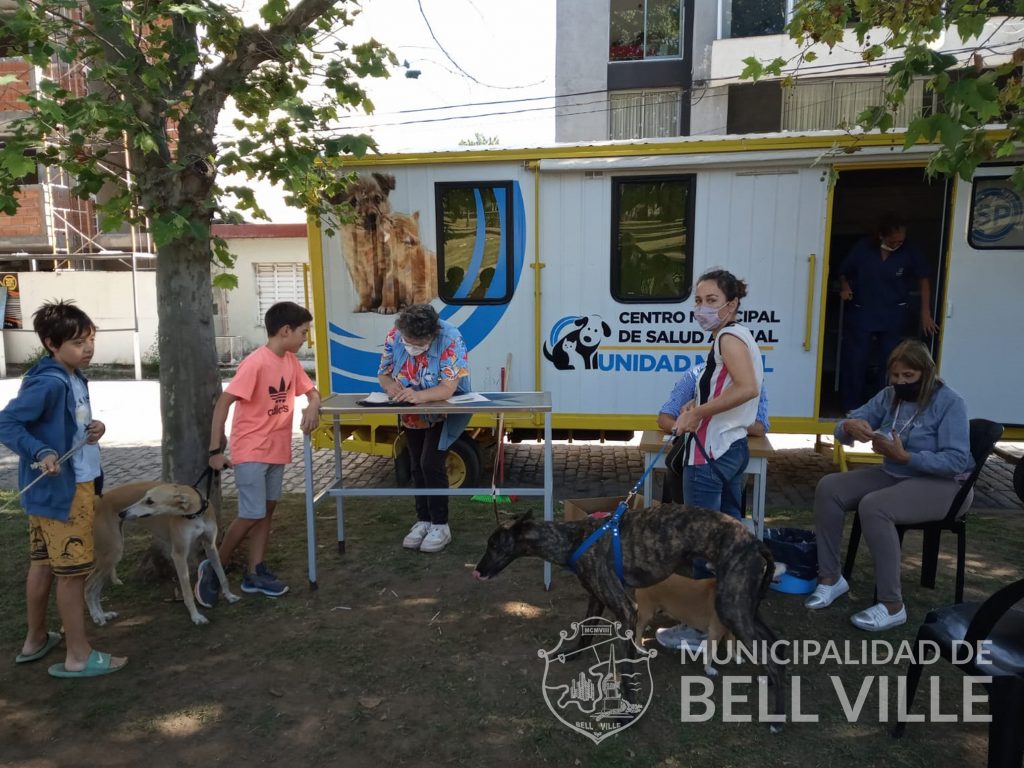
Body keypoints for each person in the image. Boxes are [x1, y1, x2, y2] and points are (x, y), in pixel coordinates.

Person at [805, 340, 971, 631]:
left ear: (927, 372)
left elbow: (957, 461)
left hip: (945, 486)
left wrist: (907, 457)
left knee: (875, 506)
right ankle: (831, 578)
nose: (901, 382)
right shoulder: (889, 396)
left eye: (909, 376)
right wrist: (849, 427)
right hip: (895, 473)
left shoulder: (950, 402)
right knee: (829, 487)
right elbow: (846, 424)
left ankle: (892, 605)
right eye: (895, 376)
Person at [0, 300, 127, 677]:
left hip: (56, 493)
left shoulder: (69, 375)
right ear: (51, 344)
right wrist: (40, 451)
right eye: (76, 342)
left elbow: (69, 423)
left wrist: (94, 428)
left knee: (43, 565)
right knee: (72, 574)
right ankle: (78, 656)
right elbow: (6, 423)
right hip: (65, 494)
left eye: (89, 339)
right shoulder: (50, 382)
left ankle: (35, 638)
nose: (87, 348)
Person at [656, 269, 763, 650]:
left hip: (710, 453)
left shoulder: (729, 338)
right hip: (731, 448)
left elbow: (747, 388)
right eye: (698, 301)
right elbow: (732, 389)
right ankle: (732, 611)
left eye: (712, 301)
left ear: (732, 305)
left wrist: (698, 415)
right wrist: (697, 404)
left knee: (704, 542)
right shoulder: (737, 336)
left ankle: (701, 629)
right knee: (730, 535)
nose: (702, 308)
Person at [196, 301, 321, 606]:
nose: (306, 337)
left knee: (266, 512)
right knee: (251, 513)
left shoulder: (290, 361)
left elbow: (311, 390)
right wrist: (215, 449)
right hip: (251, 450)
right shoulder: (255, 363)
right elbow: (224, 403)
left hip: (276, 451)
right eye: (304, 332)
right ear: (285, 331)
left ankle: (255, 571)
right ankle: (213, 569)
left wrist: (313, 405)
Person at [378, 303, 470, 554]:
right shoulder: (394, 335)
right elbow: (384, 374)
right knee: (417, 464)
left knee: (431, 462)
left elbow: (448, 388)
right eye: (407, 340)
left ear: (432, 335)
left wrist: (421, 396)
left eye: (417, 343)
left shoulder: (451, 339)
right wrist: (391, 388)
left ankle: (441, 525)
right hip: (411, 411)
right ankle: (424, 521)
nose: (410, 346)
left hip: (443, 411)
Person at [838, 212, 938, 412]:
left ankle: (886, 408)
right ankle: (853, 407)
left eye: (901, 240)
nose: (898, 244)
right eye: (893, 241)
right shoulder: (864, 249)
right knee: (856, 360)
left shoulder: (909, 251)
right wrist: (845, 287)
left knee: (892, 362)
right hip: (863, 312)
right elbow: (843, 271)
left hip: (893, 313)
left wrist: (925, 313)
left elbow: (924, 279)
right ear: (881, 236)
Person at [657, 362, 770, 504]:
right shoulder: (695, 374)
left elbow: (761, 427)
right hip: (700, 453)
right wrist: (683, 424)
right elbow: (664, 417)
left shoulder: (750, 378)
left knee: (722, 514)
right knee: (705, 513)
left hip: (730, 451)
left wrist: (717, 421)